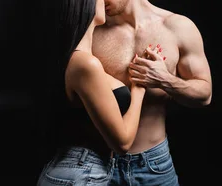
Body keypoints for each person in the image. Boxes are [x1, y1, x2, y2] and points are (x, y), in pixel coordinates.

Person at [36, 0, 165, 185]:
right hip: (81, 173)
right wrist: (139, 88)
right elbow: (122, 143)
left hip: (79, 170)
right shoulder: (86, 64)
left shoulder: (75, 58)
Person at [92, 0, 213, 185]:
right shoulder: (90, 31)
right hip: (97, 164)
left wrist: (165, 79)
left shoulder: (178, 27)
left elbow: (205, 95)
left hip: (153, 166)